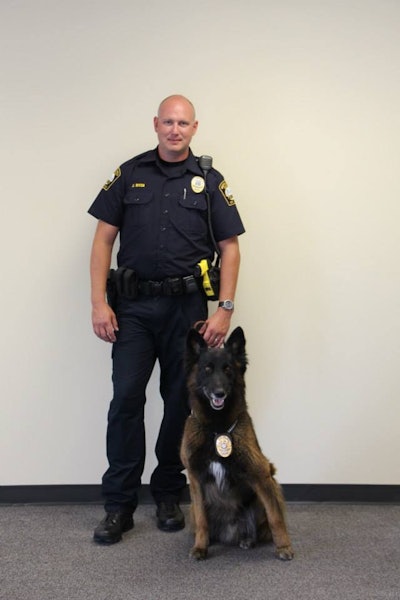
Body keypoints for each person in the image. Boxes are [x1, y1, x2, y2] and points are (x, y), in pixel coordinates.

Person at [88, 94, 245, 544]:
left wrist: (225, 309)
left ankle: (167, 493)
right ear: (156, 124)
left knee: (180, 403)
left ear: (195, 128)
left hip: (187, 314)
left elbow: (230, 247)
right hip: (133, 310)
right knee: (125, 402)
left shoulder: (208, 180)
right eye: (168, 122)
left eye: (184, 123)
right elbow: (102, 240)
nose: (175, 130)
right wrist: (100, 303)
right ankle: (118, 505)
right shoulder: (130, 174)